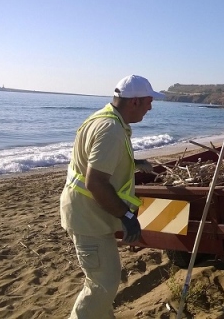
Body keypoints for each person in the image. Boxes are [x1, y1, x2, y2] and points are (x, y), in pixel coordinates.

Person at [60, 74, 165, 318]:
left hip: (89, 213)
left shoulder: (105, 119)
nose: (151, 107)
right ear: (135, 102)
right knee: (102, 285)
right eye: (149, 101)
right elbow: (95, 181)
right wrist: (126, 215)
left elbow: (95, 161)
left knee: (103, 284)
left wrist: (134, 163)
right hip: (88, 217)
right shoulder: (111, 130)